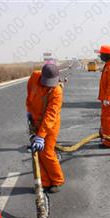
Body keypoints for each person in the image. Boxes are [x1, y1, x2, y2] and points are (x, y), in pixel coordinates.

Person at [26, 62, 64, 193]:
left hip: (50, 125)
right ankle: (45, 182)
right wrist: (29, 110)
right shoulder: (34, 77)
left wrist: (41, 136)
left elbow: (51, 115)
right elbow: (29, 93)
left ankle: (57, 181)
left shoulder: (57, 91)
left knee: (47, 153)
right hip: (35, 120)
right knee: (37, 153)